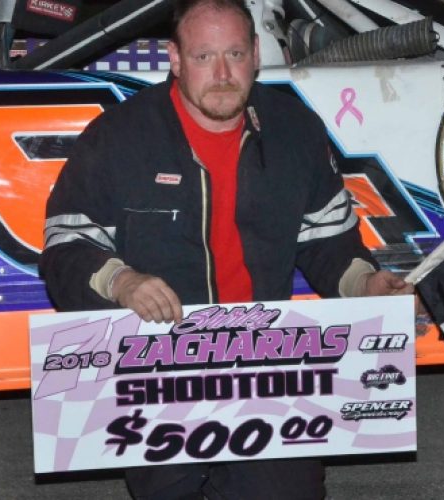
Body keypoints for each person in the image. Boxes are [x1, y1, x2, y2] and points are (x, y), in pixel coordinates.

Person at [39, 0, 412, 498]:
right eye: (203, 57)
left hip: (266, 361)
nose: (221, 74)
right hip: (157, 365)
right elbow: (65, 247)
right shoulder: (119, 136)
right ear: (175, 59)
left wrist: (364, 284)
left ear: (256, 54)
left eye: (234, 54)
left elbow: (328, 240)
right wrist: (121, 281)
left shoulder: (295, 129)